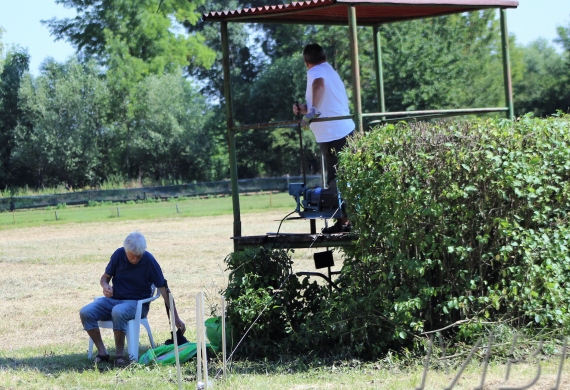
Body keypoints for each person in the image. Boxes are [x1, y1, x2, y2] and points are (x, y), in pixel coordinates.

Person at [79, 232, 185, 366]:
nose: (135, 259)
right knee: (86, 312)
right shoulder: (118, 255)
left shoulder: (149, 260)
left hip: (137, 304)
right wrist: (105, 286)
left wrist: (175, 316)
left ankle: (119, 356)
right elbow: (105, 277)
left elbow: (164, 290)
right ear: (125, 251)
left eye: (138, 257)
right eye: (132, 257)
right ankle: (102, 352)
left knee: (118, 311)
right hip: (114, 300)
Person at [292, 43, 354, 233]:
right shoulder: (330, 70)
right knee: (344, 176)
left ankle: (345, 222)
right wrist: (304, 108)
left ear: (306, 63)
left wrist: (310, 113)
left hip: (334, 135)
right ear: (324, 56)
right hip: (343, 131)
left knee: (338, 178)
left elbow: (318, 86)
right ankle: (348, 219)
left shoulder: (315, 72)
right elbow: (323, 101)